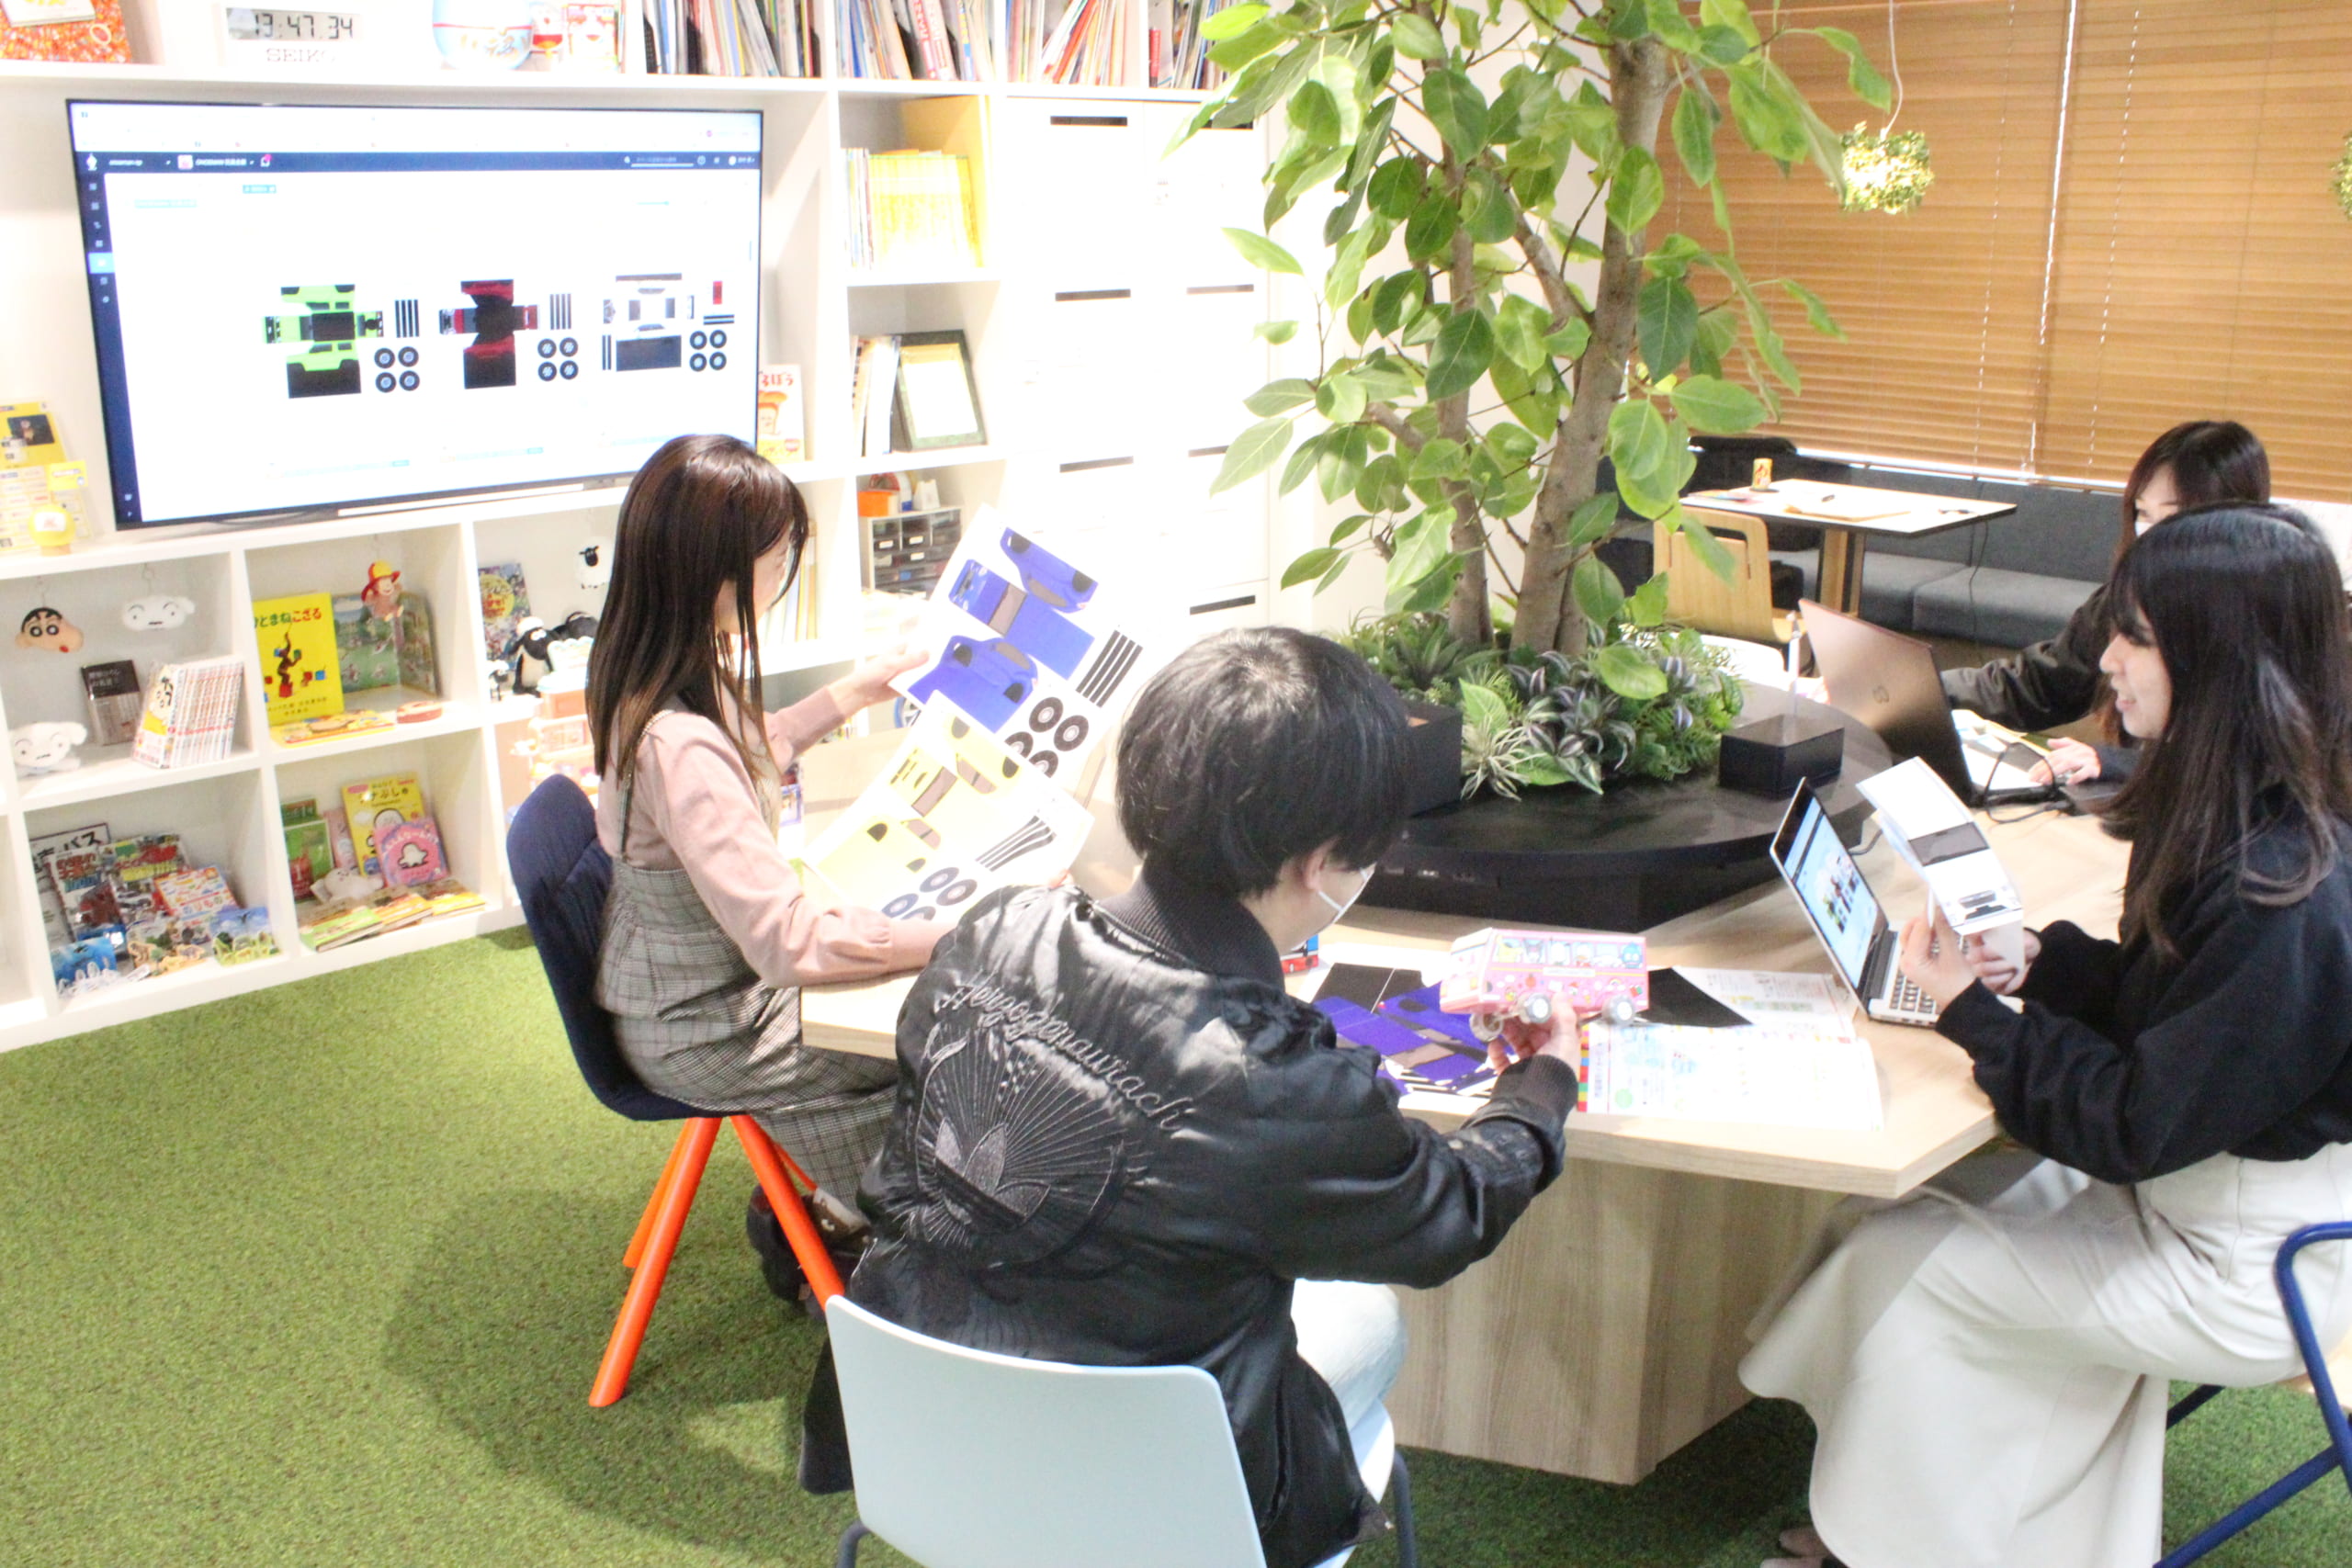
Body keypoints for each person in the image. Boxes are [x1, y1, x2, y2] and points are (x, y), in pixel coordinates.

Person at [800, 627, 1582, 1568]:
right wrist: (1540, 1087)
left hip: (917, 1437)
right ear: (1320, 864)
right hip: (1157, 1510)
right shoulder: (1277, 1086)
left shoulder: (992, 931)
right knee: (1369, 1319)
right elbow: (1448, 1213)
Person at [1744, 503, 2352, 1568]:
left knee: (1906, 1260)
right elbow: (2179, 1018)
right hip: (2206, 1189)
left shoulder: (2279, 893)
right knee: (1892, 1220)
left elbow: (2129, 1122)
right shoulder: (2254, 827)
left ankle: (1876, 1545)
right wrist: (2038, 961)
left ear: (2220, 661)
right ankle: (1944, 1533)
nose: (2106, 661)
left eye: (2137, 638)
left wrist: (1972, 1012)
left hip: (2252, 1259)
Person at [586, 433, 948, 1246]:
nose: (783, 575)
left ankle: (837, 1207)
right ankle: (868, 1223)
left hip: (678, 986)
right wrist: (963, 931)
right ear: (716, 572)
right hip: (709, 1023)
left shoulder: (647, 667)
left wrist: (853, 692)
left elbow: (745, 752)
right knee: (951, 1015)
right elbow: (789, 943)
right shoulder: (679, 743)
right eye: (777, 558)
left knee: (911, 974)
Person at [1939, 420, 2269, 784]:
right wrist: (1931, 692)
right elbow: (2041, 684)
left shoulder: (2268, 620)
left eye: (2172, 515)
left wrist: (2121, 763)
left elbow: (2256, 767)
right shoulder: (2127, 597)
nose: (2151, 534)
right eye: (2143, 513)